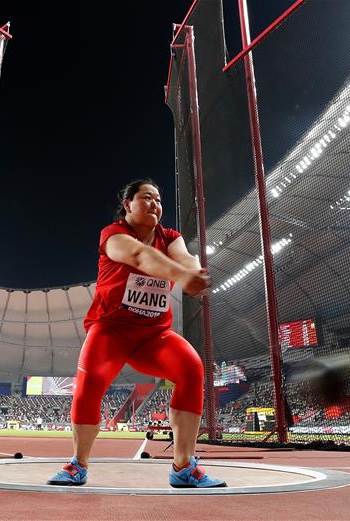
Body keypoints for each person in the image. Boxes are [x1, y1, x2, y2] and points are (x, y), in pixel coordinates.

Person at [48, 179, 225, 488]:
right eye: (147, 198)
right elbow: (140, 257)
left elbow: (184, 257)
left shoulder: (170, 237)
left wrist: (191, 269)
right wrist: (182, 275)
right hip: (111, 331)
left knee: (191, 367)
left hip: (152, 337)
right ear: (127, 204)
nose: (155, 204)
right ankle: (78, 464)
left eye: (158, 199)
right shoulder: (113, 234)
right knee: (89, 382)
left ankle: (183, 467)